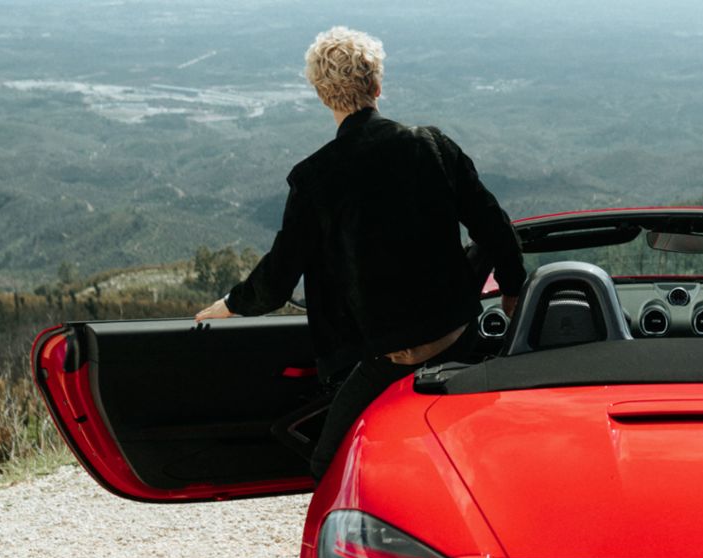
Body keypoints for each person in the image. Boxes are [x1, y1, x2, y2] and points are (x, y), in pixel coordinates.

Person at [195, 26, 525, 479]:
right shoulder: (433, 146)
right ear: (377, 86)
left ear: (322, 96)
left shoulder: (314, 179)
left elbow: (276, 282)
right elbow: (495, 227)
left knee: (328, 466)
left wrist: (231, 305)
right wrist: (511, 291)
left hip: (390, 358)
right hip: (459, 337)